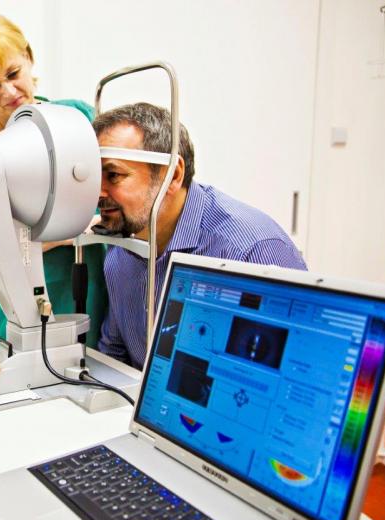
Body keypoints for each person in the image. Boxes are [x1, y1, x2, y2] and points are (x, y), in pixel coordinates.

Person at [0, 13, 108, 343]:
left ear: (28, 57)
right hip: (7, 308)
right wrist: (69, 231)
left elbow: (115, 201)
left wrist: (19, 237)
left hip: (84, 289)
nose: (9, 92)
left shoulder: (78, 119)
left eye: (13, 74)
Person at [93, 102, 307, 369]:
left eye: (113, 175)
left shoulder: (250, 252)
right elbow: (114, 355)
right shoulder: (121, 250)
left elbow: (298, 371)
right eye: (95, 176)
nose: (98, 191)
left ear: (173, 175)